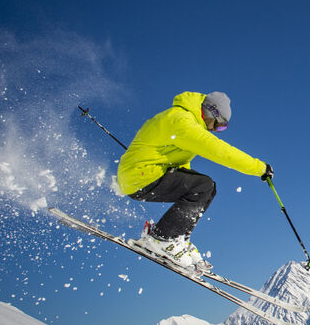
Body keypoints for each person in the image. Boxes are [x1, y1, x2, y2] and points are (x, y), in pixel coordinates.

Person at [116, 91, 272, 273]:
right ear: (211, 112)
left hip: (142, 175)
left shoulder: (185, 120)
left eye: (222, 128)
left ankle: (177, 238)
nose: (216, 130)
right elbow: (220, 151)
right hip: (141, 176)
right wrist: (259, 168)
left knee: (208, 188)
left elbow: (182, 166)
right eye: (219, 125)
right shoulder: (182, 122)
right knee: (203, 186)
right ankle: (162, 238)